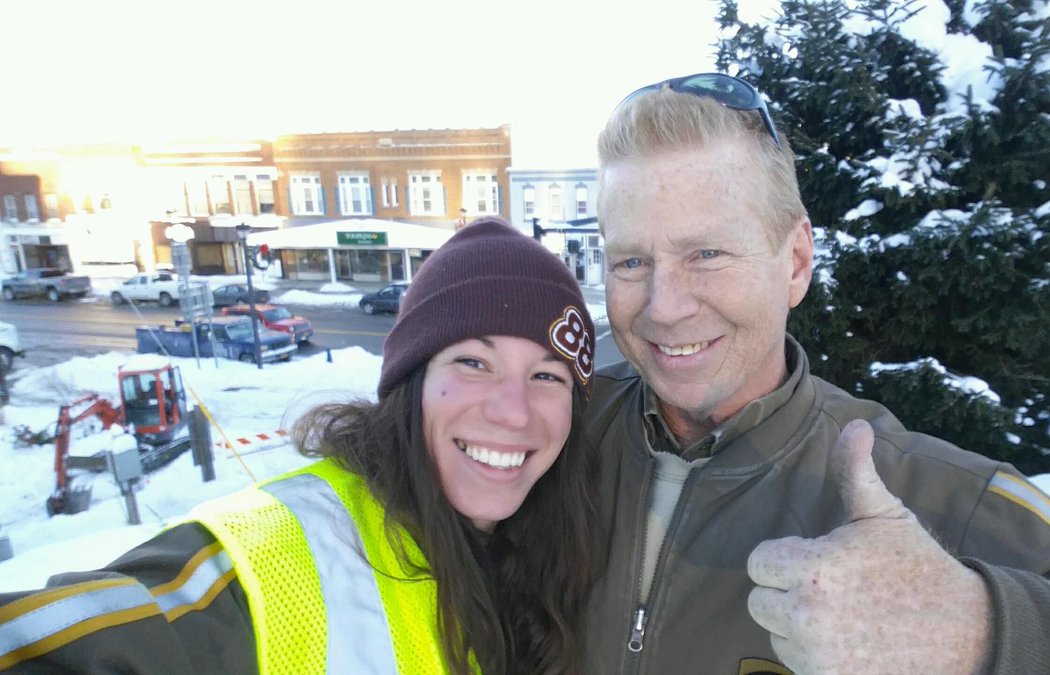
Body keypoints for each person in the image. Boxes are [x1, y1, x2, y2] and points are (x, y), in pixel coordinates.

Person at [581, 72, 1050, 673]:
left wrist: (985, 634)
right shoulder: (555, 440)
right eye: (631, 261)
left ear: (796, 262)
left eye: (707, 254)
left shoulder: (929, 491)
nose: (664, 305)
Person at [0, 217, 603, 674]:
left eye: (547, 376)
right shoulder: (281, 555)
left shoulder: (559, 549)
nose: (512, 410)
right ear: (411, 384)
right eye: (473, 361)